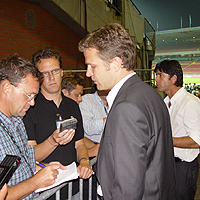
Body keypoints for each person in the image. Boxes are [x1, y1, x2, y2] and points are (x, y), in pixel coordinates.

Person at [78, 23, 177, 200]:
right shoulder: (148, 94)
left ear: (115, 63)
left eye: (93, 66)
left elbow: (128, 188)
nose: (87, 73)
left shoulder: (126, 107)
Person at [23, 48, 93, 200]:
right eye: (45, 73)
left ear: (62, 72)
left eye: (54, 71)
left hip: (74, 187)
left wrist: (84, 162)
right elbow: (31, 155)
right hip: (47, 191)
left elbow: (79, 143)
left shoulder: (72, 105)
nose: (51, 77)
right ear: (38, 77)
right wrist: (53, 141)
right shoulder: (29, 108)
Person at [0, 54, 68, 200]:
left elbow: (23, 161)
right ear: (7, 88)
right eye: (29, 95)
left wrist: (43, 168)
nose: (32, 103)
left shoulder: (17, 121)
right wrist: (36, 182)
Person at [154, 59, 200, 200]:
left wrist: (166, 140)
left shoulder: (190, 103)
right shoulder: (166, 102)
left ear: (173, 78)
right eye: (156, 75)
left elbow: (196, 141)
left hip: (183, 168)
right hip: (167, 164)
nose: (156, 79)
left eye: (160, 75)